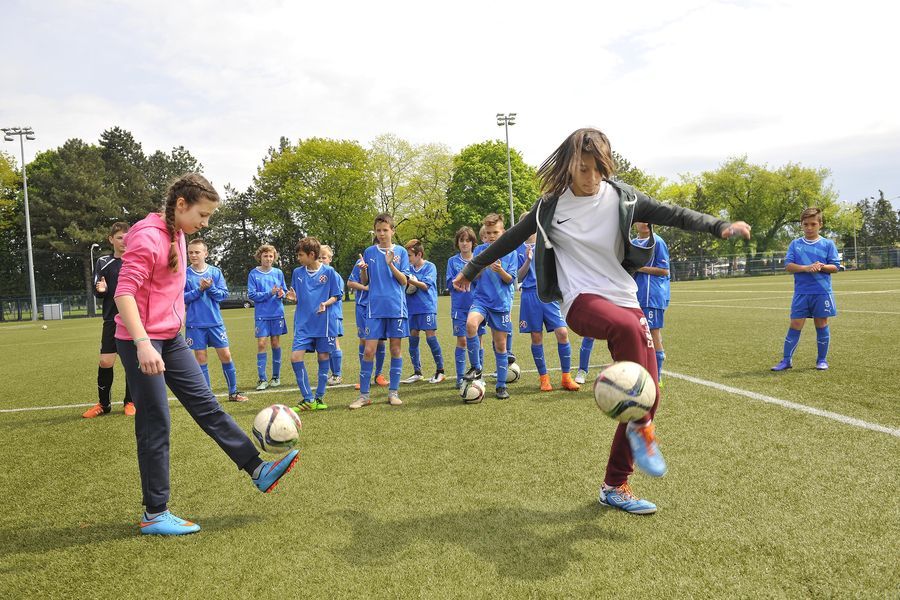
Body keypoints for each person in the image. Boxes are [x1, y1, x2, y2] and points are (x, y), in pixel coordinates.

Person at [454, 128, 751, 514]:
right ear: (568, 166)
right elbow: (509, 239)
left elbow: (672, 213)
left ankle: (615, 484)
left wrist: (718, 225)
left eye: (598, 168)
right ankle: (641, 429)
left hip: (625, 299)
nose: (591, 177)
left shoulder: (622, 197)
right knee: (629, 346)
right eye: (582, 168)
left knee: (648, 393)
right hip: (581, 301)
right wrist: (474, 267)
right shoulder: (550, 207)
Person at [114, 173, 298, 535]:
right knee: (156, 422)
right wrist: (142, 343)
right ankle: (155, 513)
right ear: (181, 205)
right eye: (203, 214)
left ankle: (258, 470)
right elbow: (124, 293)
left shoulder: (178, 234)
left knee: (208, 406)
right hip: (143, 342)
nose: (205, 223)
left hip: (171, 337)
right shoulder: (147, 236)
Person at [349, 213, 410, 409]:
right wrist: (363, 270)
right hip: (374, 308)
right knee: (368, 350)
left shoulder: (401, 251)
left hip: (396, 308)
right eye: (378, 230)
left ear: (393, 230)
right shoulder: (369, 252)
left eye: (385, 230)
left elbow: (404, 281)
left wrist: (390, 264)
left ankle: (393, 393)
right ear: (375, 232)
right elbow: (365, 282)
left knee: (395, 349)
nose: (382, 234)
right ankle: (364, 396)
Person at [771, 207, 840, 371]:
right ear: (801, 225)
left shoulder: (828, 244)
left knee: (821, 323)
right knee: (795, 323)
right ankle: (786, 360)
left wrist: (822, 266)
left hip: (821, 292)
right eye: (806, 224)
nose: (809, 228)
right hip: (802, 293)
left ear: (820, 224)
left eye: (813, 224)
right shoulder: (795, 244)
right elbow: (788, 266)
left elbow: (835, 267)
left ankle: (822, 360)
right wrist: (806, 268)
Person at [461, 213, 518, 401]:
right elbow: (474, 276)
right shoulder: (479, 252)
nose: (492, 236)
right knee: (470, 325)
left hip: (500, 305)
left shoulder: (511, 252)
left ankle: (501, 386)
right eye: (488, 232)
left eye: (495, 232)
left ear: (503, 232)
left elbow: (510, 280)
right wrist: (480, 269)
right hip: (481, 300)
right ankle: (476, 367)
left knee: (500, 346)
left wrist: (500, 270)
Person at [516, 224, 580, 392]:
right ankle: (544, 378)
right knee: (536, 337)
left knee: (562, 332)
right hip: (530, 295)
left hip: (549, 293)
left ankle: (566, 377)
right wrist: (528, 260)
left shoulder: (547, 244)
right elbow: (518, 276)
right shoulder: (517, 249)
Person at [183, 238, 248, 402]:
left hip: (215, 322)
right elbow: (181, 298)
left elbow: (222, 295)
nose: (193, 255)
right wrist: (199, 289)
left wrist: (210, 287)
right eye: (190, 252)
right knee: (201, 358)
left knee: (226, 355)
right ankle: (207, 396)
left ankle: (233, 392)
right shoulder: (184, 274)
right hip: (195, 324)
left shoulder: (215, 272)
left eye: (197, 252)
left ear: (206, 253)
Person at [83, 222, 135, 418]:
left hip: (133, 319)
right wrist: (101, 290)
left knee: (132, 362)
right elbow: (99, 291)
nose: (124, 241)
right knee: (106, 361)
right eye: (120, 237)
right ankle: (103, 405)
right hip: (112, 320)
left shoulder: (136, 260)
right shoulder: (103, 262)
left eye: (127, 237)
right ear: (111, 239)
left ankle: (130, 401)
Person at [286, 237, 342, 411]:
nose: (298, 258)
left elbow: (337, 295)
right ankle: (307, 398)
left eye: (301, 255)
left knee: (323, 357)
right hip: (303, 323)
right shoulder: (297, 273)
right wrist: (293, 298)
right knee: (295, 357)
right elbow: (296, 296)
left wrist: (326, 303)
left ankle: (318, 397)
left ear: (312, 255)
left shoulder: (330, 272)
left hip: (324, 324)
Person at [445, 226, 485, 389]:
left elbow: (482, 281)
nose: (464, 244)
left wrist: (473, 274)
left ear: (473, 243)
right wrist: (458, 279)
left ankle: (478, 375)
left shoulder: (479, 259)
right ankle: (460, 377)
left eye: (468, 240)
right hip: (459, 306)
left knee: (479, 340)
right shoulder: (452, 261)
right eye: (461, 240)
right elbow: (449, 282)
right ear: (458, 243)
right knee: (462, 341)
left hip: (478, 306)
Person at [401, 238, 445, 384]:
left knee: (430, 337)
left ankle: (440, 371)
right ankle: (417, 372)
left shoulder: (430, 267)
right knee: (412, 339)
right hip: (411, 308)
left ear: (419, 254)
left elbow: (425, 286)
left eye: (409, 255)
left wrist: (410, 280)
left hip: (427, 308)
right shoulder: (407, 268)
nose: (407, 258)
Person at [632, 222, 670, 384]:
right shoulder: (631, 243)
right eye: (641, 219)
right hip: (633, 295)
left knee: (653, 333)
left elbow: (664, 270)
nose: (646, 223)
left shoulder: (657, 241)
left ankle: (657, 376)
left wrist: (639, 268)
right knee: (635, 334)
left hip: (651, 296)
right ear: (634, 224)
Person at [248, 244, 287, 390]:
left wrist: (282, 293)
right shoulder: (253, 274)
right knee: (262, 344)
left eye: (271, 256)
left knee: (276, 343)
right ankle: (262, 379)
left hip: (277, 313)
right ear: (260, 257)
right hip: (262, 315)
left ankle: (276, 377)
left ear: (274, 257)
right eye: (265, 256)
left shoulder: (278, 272)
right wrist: (269, 293)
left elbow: (284, 289)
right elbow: (252, 295)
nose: (268, 258)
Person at [347, 256, 388, 391]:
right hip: (363, 306)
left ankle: (379, 375)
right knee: (364, 340)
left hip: (380, 306)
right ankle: (364, 377)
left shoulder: (388, 260)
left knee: (380, 341)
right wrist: (367, 288)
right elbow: (350, 283)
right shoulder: (362, 261)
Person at [319, 244, 345, 386]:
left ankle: (337, 374)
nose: (321, 260)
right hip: (322, 315)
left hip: (333, 314)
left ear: (330, 259)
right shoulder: (318, 275)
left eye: (324, 257)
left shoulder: (334, 275)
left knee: (334, 342)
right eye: (319, 258)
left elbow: (337, 295)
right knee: (326, 344)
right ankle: (331, 373)